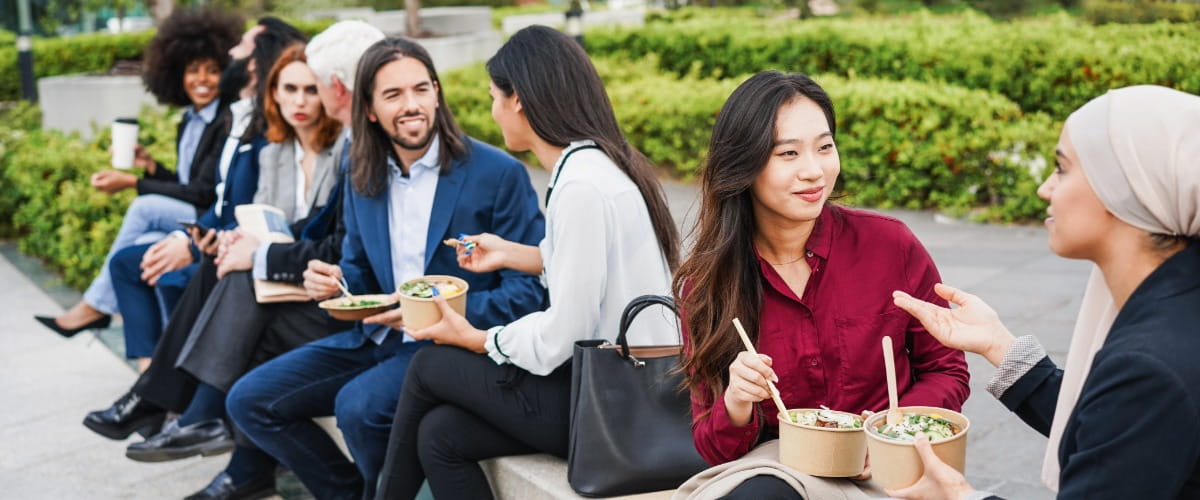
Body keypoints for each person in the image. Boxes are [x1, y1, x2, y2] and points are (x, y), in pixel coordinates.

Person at [225, 35, 548, 500]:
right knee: (250, 400)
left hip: (449, 347)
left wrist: (435, 314)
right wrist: (332, 282)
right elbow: (358, 272)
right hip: (374, 336)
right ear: (370, 110)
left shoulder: (497, 174)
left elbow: (527, 293)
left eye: (420, 89)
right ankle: (348, 493)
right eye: (393, 95)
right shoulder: (362, 171)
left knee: (356, 407)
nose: (411, 104)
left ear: (437, 93)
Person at [375, 25, 682, 500]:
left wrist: (481, 340)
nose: (494, 111)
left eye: (495, 97)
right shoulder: (601, 165)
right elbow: (594, 270)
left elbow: (566, 332)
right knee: (439, 435)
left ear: (518, 100)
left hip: (609, 407)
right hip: (625, 392)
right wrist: (517, 254)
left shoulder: (581, 186)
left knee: (429, 365)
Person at [888, 86, 1200, 500]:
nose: (1045, 189)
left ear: (1122, 189)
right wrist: (997, 343)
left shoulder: (1149, 365)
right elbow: (1110, 430)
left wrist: (958, 498)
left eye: (1062, 168)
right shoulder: (1179, 305)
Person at [670, 71, 969, 499]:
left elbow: (946, 369)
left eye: (825, 147)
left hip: (889, 463)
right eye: (788, 153)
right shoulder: (709, 283)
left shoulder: (890, 246)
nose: (815, 171)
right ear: (744, 165)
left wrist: (888, 430)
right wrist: (737, 402)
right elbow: (715, 448)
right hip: (784, 469)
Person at [81, 17, 307, 443]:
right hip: (222, 236)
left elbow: (245, 207)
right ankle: (152, 396)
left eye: (241, 46)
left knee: (168, 258)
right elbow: (220, 198)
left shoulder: (263, 126)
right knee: (133, 262)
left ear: (258, 63)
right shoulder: (237, 117)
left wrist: (192, 240)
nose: (232, 53)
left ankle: (157, 399)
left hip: (248, 248)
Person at [33, 8, 242, 346]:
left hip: (210, 217)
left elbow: (203, 191)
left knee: (145, 208)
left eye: (213, 71)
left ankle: (94, 307)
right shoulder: (188, 122)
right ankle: (151, 363)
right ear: (175, 74)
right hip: (190, 212)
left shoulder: (226, 121)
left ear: (227, 75)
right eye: (193, 70)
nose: (202, 79)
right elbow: (183, 182)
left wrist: (131, 182)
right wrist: (151, 168)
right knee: (140, 250)